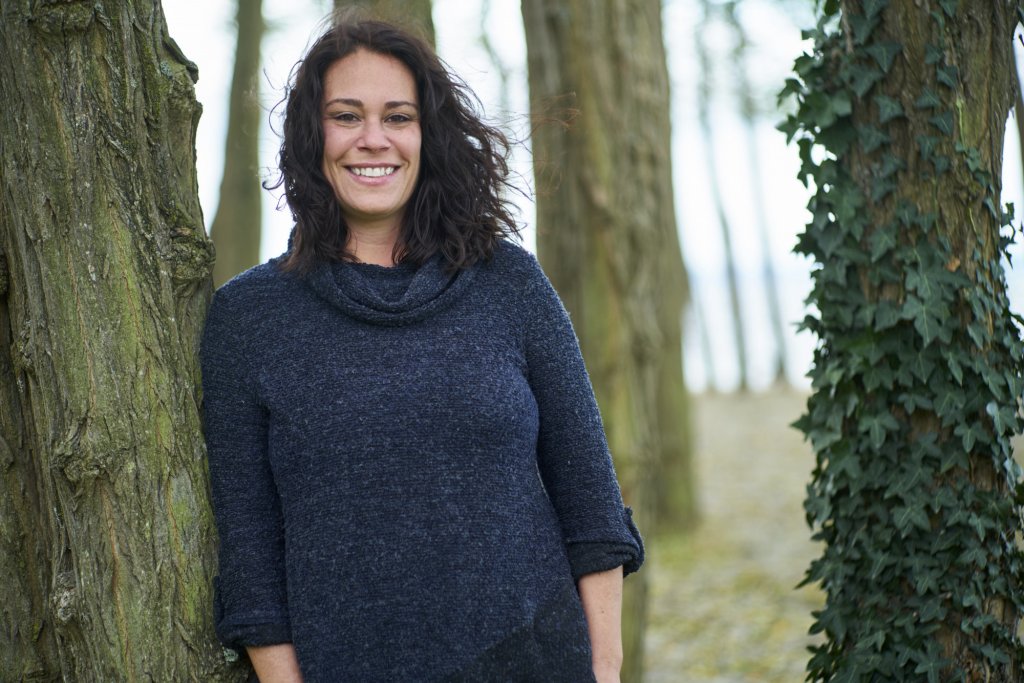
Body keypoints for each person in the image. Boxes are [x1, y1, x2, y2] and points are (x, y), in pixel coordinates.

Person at [200, 13, 643, 683]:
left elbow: (593, 512)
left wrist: (605, 672)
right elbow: (251, 563)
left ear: (427, 135)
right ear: (310, 136)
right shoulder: (248, 317)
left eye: (397, 116)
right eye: (346, 116)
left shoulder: (510, 284)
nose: (373, 138)